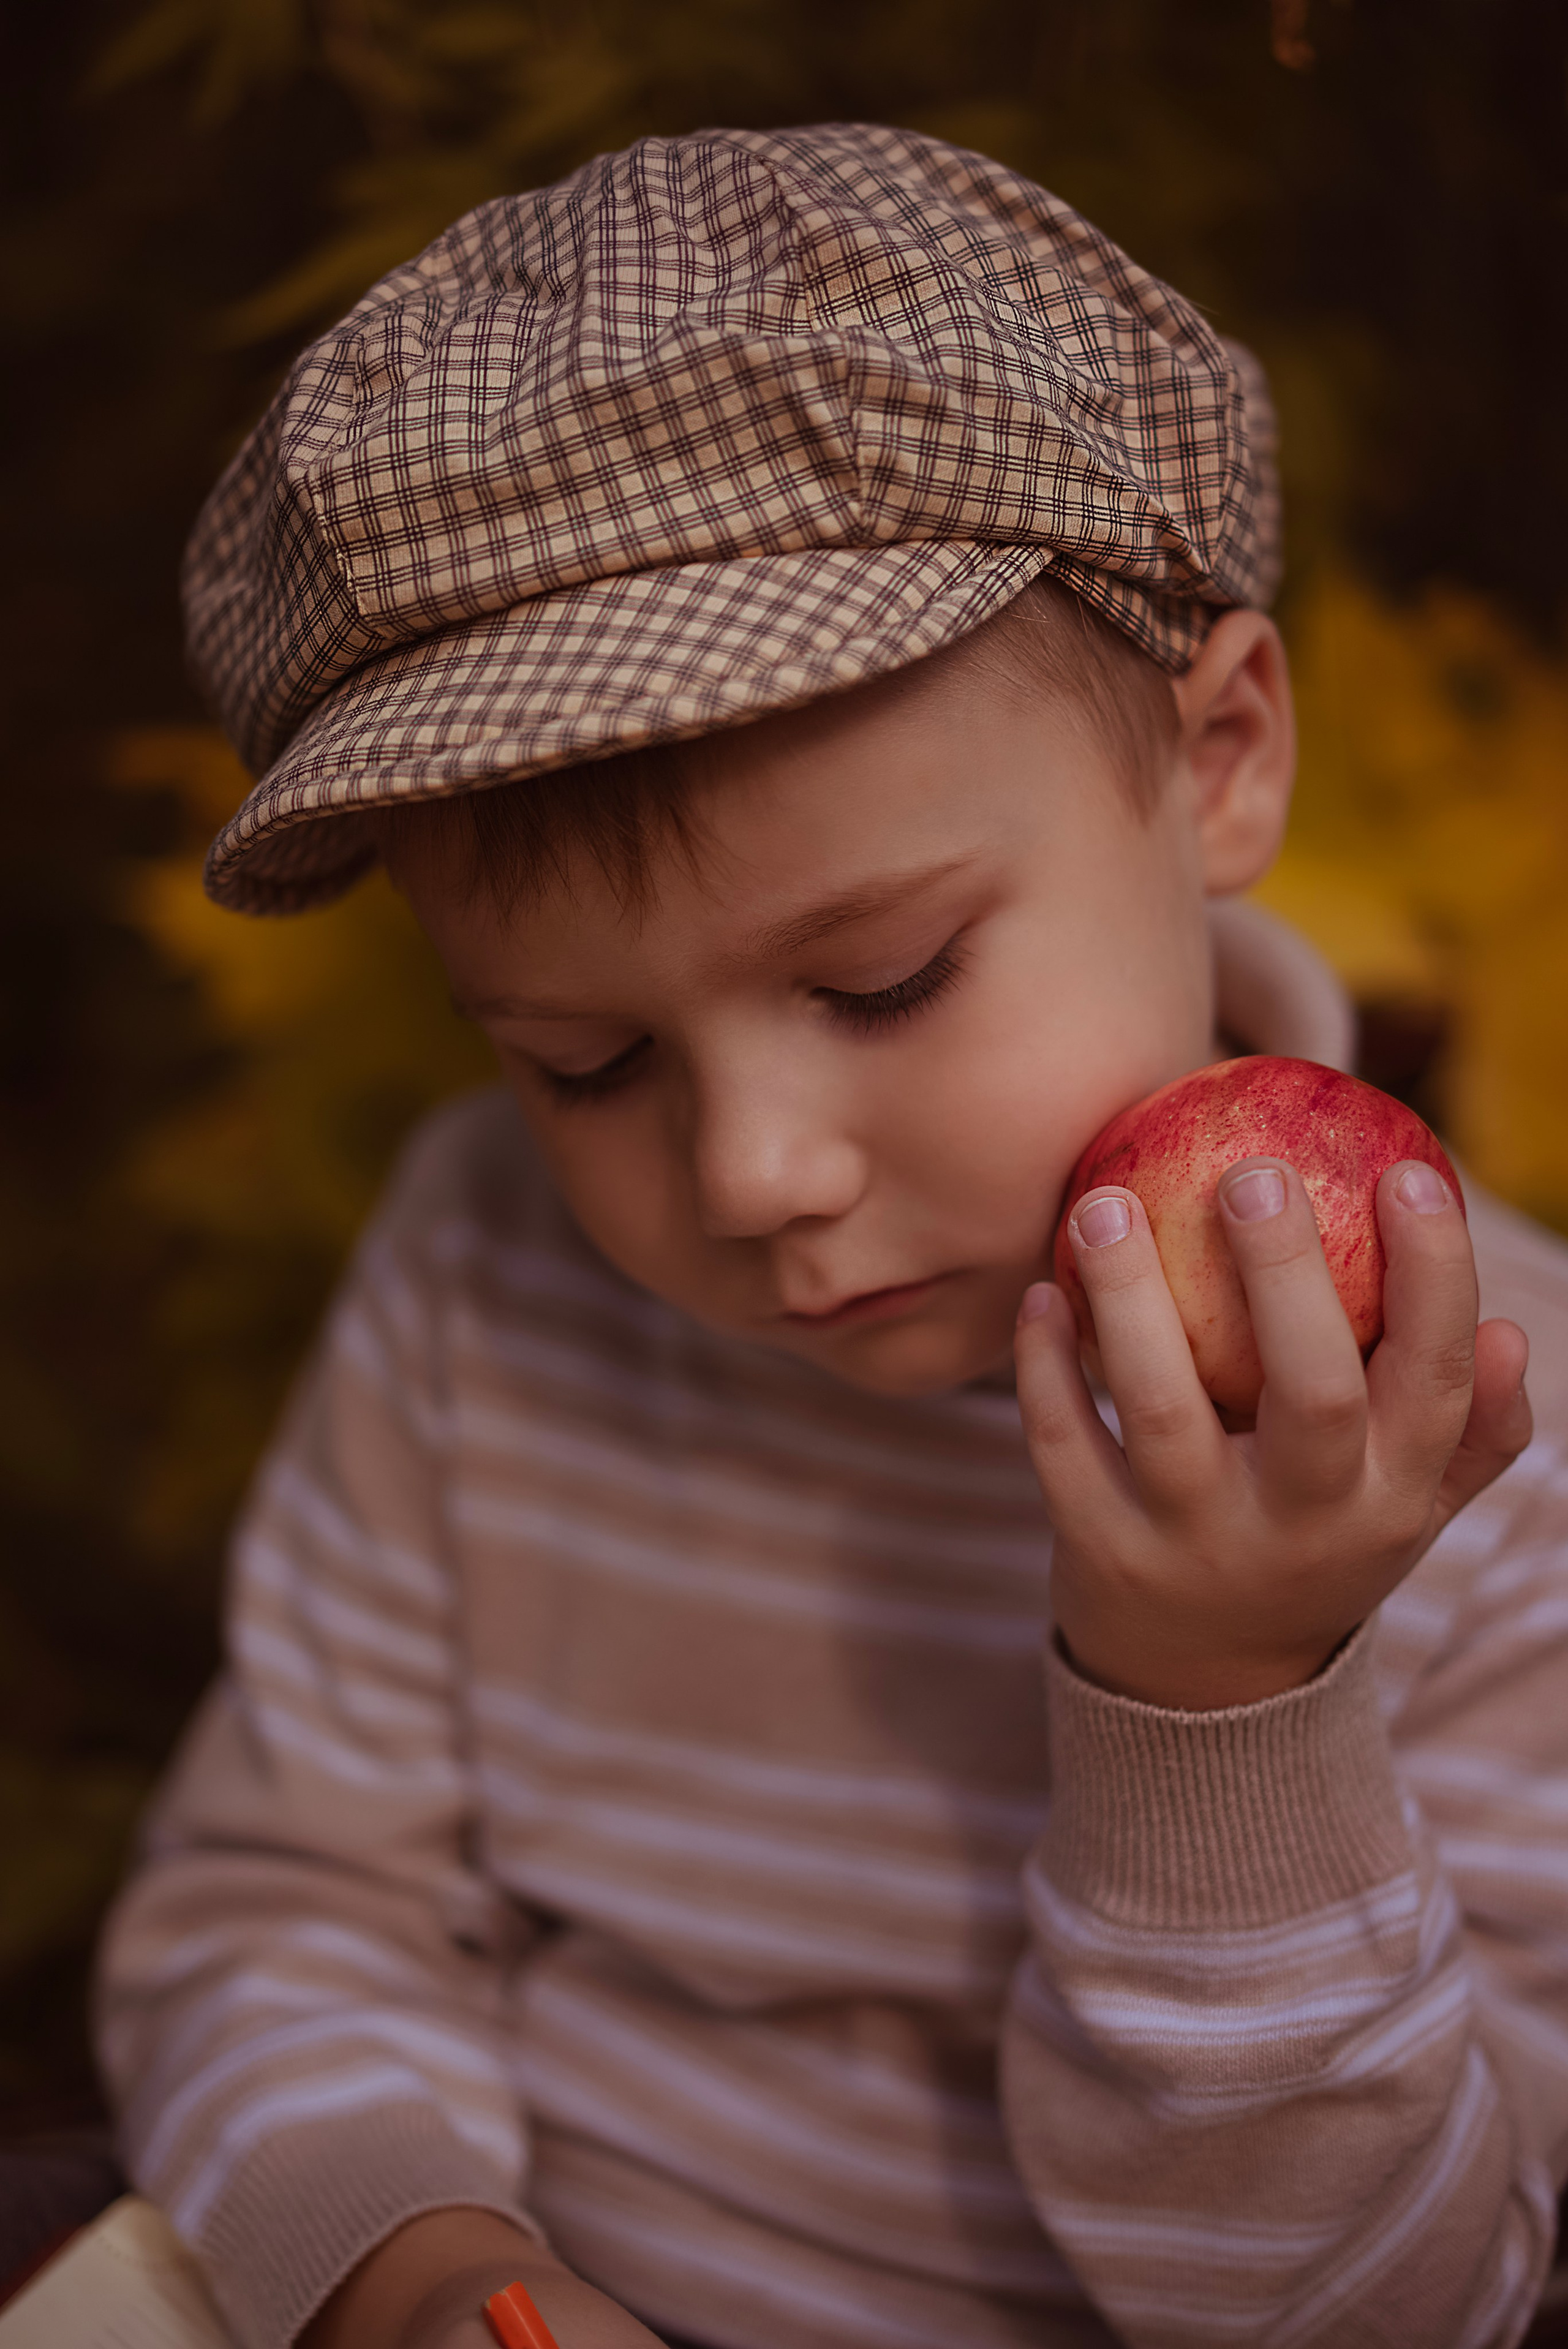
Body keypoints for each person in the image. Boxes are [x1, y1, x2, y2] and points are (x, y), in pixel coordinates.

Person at [95, 123, 1568, 2349]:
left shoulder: (1479, 1442)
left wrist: (1224, 1699)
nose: (751, 1172)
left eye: (881, 981)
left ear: (1226, 755)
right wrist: (420, 2272)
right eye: (584, 1061)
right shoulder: (486, 1275)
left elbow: (1399, 2308)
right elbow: (288, 1896)